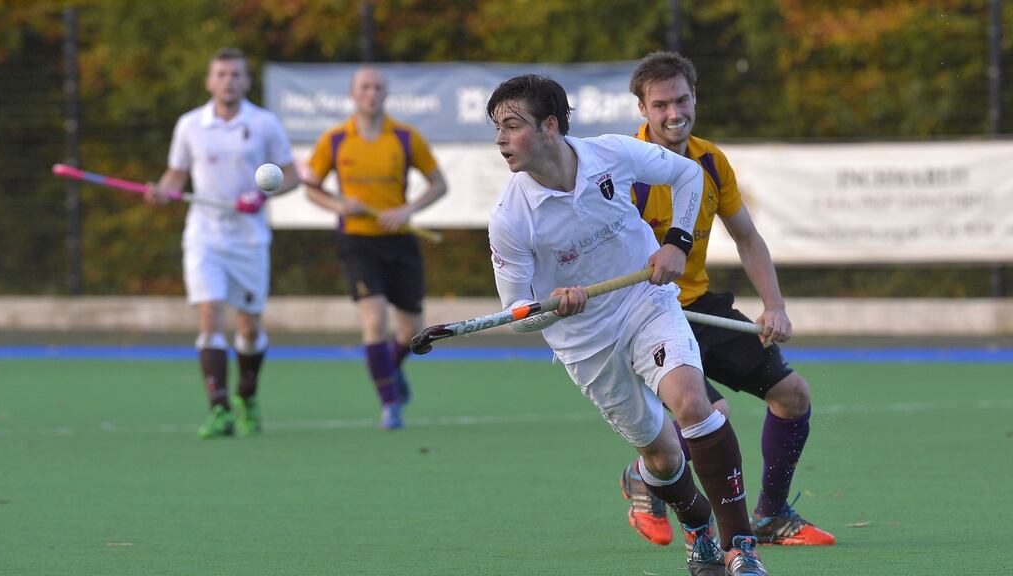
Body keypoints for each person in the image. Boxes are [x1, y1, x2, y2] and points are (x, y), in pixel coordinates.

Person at [487, 74, 768, 576]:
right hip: (585, 343)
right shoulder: (511, 218)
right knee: (661, 458)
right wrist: (550, 306)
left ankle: (741, 547)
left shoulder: (610, 153)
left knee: (692, 403)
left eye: (512, 125)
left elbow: (687, 176)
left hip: (645, 301)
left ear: (550, 125)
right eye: (497, 129)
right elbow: (517, 317)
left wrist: (677, 243)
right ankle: (698, 526)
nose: (501, 139)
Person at [617, 51, 835, 548]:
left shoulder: (711, 160)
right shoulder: (624, 170)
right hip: (646, 314)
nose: (674, 112)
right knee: (712, 415)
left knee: (792, 395)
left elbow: (748, 239)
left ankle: (772, 515)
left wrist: (773, 306)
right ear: (642, 110)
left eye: (682, 99)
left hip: (702, 307)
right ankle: (647, 476)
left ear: (695, 97)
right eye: (661, 104)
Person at [148, 47, 299, 439]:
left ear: (246, 81)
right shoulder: (190, 125)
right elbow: (175, 177)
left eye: (235, 75)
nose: (227, 81)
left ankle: (247, 394)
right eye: (220, 74)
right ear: (209, 81)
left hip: (249, 241)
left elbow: (293, 174)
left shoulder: (264, 123)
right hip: (204, 236)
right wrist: (161, 193)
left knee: (247, 329)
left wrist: (262, 196)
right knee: (209, 316)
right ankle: (219, 409)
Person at [305, 67, 447, 430]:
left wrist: (407, 210)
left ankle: (389, 371)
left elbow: (438, 184)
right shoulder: (335, 140)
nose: (372, 93)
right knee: (374, 320)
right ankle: (389, 403)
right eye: (365, 87)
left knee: (411, 331)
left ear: (386, 94)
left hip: (399, 240)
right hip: (356, 241)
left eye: (378, 87)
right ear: (353, 94)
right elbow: (311, 188)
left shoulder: (404, 137)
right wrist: (340, 207)